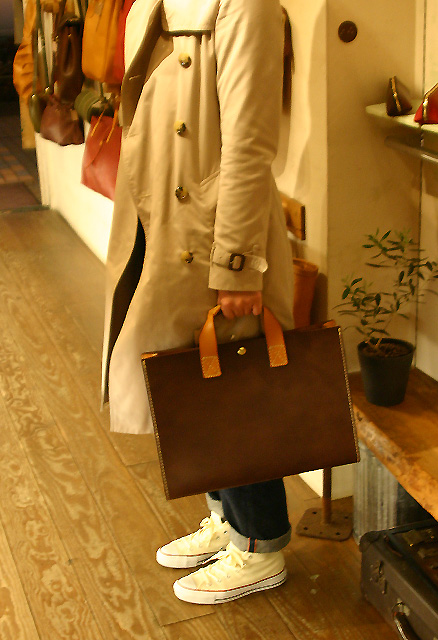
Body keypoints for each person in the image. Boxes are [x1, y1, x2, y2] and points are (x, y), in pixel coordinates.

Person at [101, 0, 294, 604]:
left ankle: (260, 545)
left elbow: (250, 144)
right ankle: (228, 519)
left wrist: (236, 261)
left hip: (209, 231)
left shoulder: (246, 7)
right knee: (191, 379)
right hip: (161, 211)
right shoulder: (158, 4)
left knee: (232, 385)